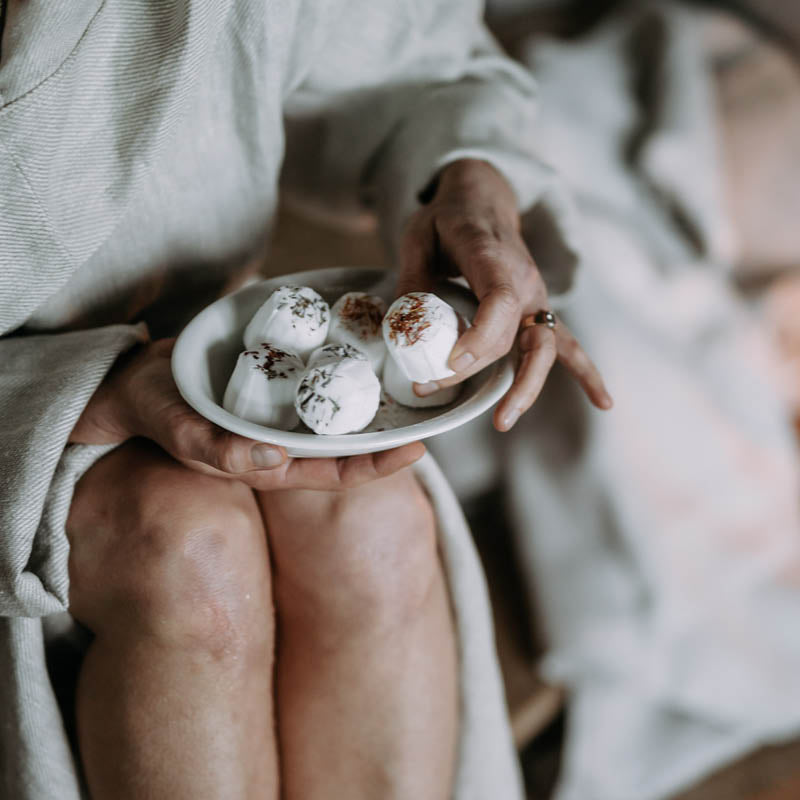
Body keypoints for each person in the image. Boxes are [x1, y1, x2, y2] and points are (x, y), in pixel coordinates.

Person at [0, 2, 609, 798]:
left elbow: (408, 63)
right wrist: (76, 400)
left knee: (374, 528)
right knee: (184, 552)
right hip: (25, 408)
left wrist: (473, 190)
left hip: (226, 362)